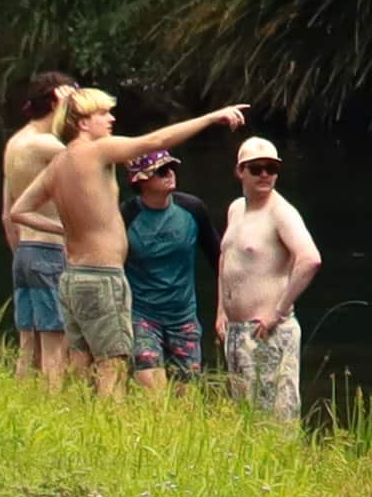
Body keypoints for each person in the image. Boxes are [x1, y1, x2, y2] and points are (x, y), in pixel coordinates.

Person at [24, 88, 247, 394]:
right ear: (83, 124)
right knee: (112, 365)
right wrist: (209, 118)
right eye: (103, 113)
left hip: (72, 278)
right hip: (102, 277)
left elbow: (19, 211)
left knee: (80, 362)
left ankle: (71, 422)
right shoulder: (98, 151)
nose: (111, 118)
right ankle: (110, 434)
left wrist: (67, 230)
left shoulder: (58, 163)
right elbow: (155, 141)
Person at [214, 134, 320, 423]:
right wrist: (221, 309)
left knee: (276, 416)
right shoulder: (236, 208)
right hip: (236, 331)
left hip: (268, 331)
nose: (264, 174)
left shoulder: (282, 212)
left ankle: (284, 465)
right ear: (240, 171)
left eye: (271, 168)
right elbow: (227, 256)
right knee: (245, 415)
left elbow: (310, 259)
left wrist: (278, 311)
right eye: (256, 167)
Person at [0, 69, 80, 378]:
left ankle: (23, 403)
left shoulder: (15, 143)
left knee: (27, 344)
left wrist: (20, 253)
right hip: (50, 249)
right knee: (55, 344)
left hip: (25, 253)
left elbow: (8, 213)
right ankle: (54, 406)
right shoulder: (49, 146)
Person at [120, 142, 210, 383]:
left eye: (171, 168)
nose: (170, 173)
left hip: (183, 316)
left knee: (187, 399)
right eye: (161, 171)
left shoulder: (192, 209)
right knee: (153, 393)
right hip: (142, 314)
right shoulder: (126, 216)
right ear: (141, 181)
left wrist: (224, 309)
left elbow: (218, 258)